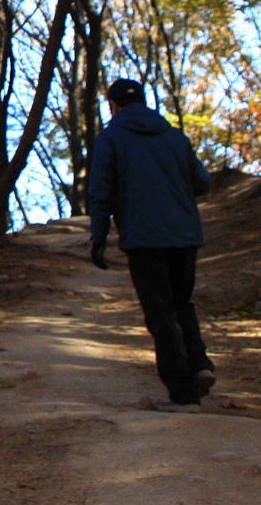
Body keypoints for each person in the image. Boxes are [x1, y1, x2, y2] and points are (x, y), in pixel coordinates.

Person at [87, 76, 215, 412]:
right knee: (181, 303)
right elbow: (202, 182)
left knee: (160, 313)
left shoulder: (111, 138)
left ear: (113, 105)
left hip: (145, 238)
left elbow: (101, 190)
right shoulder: (174, 136)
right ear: (143, 101)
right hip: (185, 235)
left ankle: (183, 395)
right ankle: (199, 364)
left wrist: (98, 237)